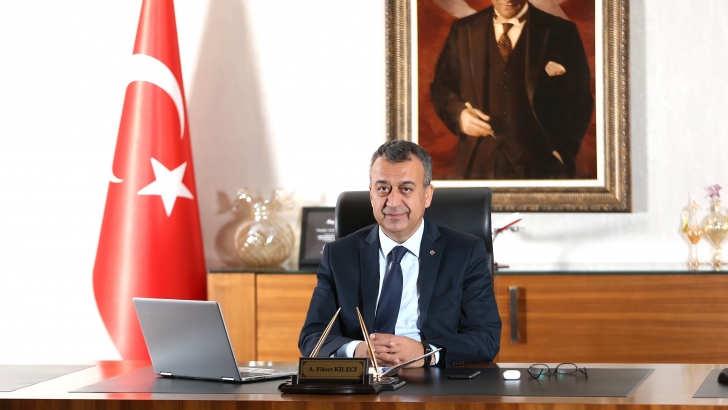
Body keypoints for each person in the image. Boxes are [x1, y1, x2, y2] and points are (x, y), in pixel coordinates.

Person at [299, 140, 501, 367]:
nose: (393, 202)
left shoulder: (464, 252)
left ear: (427, 195)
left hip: (433, 378)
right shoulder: (338, 255)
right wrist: (359, 350)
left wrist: (425, 352)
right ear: (371, 194)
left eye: (406, 189)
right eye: (383, 189)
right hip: (364, 379)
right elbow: (312, 336)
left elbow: (486, 338)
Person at [430, 0, 593, 179]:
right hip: (477, 163)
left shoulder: (563, 32)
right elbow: (441, 88)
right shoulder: (463, 31)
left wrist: (561, 150)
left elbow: (580, 99)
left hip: (542, 165)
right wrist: (460, 115)